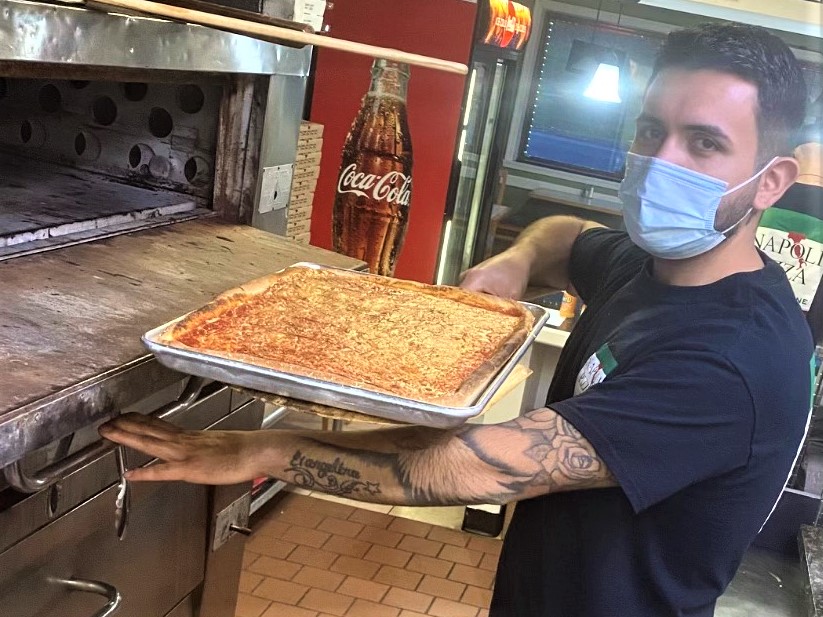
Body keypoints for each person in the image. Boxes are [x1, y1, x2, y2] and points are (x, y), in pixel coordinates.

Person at [100, 23, 816, 617]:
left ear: (771, 181)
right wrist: (515, 261)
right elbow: (565, 235)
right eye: (651, 131)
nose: (660, 163)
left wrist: (261, 451)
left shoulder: (732, 361)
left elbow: (469, 466)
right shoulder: (649, 265)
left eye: (703, 143)